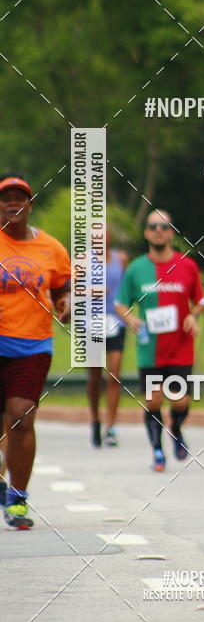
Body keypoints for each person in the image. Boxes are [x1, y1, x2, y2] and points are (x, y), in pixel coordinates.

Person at [0, 173, 71, 529]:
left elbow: (63, 286)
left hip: (32, 344)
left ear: (30, 205)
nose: (13, 203)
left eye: (20, 198)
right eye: (6, 198)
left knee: (20, 415)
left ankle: (17, 497)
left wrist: (66, 302)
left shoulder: (52, 248)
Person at [114, 209, 204, 471]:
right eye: (153, 226)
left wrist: (193, 316)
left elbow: (199, 301)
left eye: (164, 227)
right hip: (150, 348)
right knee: (153, 401)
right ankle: (157, 450)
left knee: (180, 401)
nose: (158, 230)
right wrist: (130, 319)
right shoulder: (136, 269)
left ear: (171, 233)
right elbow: (120, 304)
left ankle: (176, 428)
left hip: (180, 347)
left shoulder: (187, 265)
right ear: (146, 232)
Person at [87, 227, 127, 448]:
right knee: (94, 377)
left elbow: (124, 287)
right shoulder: (83, 261)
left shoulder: (120, 260)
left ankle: (110, 426)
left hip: (115, 321)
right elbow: (73, 288)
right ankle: (94, 419)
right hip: (92, 322)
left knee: (114, 376)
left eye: (104, 235)